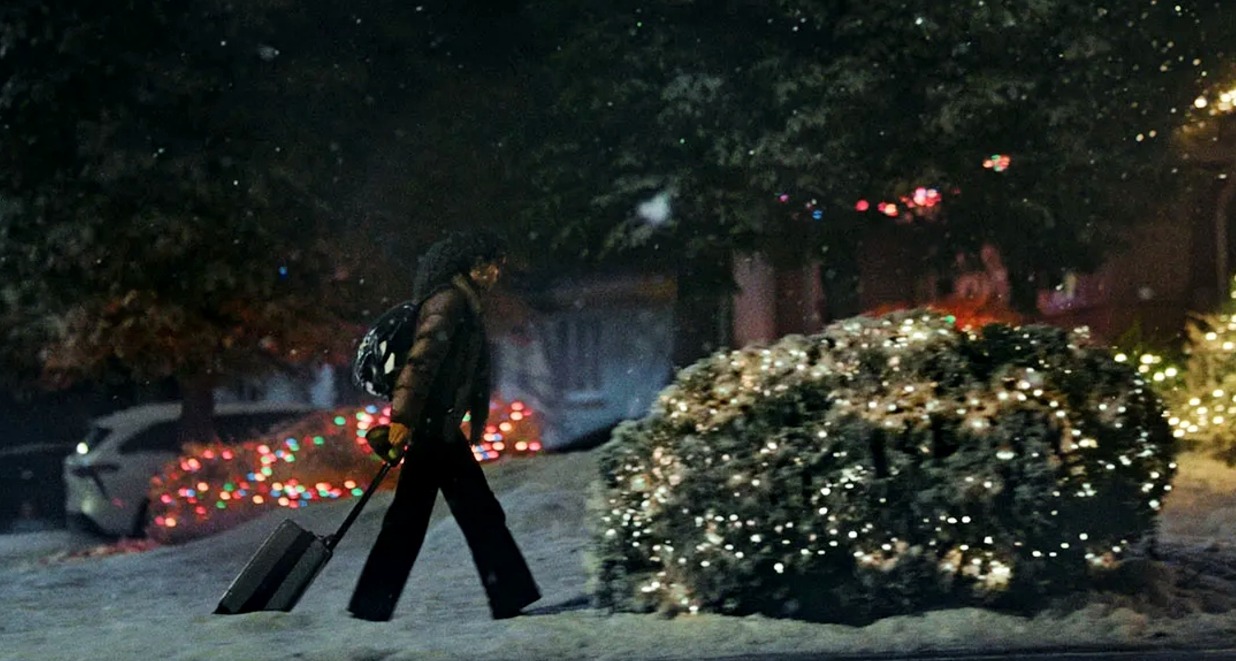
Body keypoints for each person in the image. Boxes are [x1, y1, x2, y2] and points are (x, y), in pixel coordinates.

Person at [348, 229, 541, 622]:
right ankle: (509, 592)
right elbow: (421, 364)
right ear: (471, 267)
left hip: (439, 428)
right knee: (468, 514)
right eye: (490, 265)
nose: (495, 273)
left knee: (420, 516)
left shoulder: (461, 303)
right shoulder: (448, 303)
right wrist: (401, 421)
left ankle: (373, 602)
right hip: (433, 428)